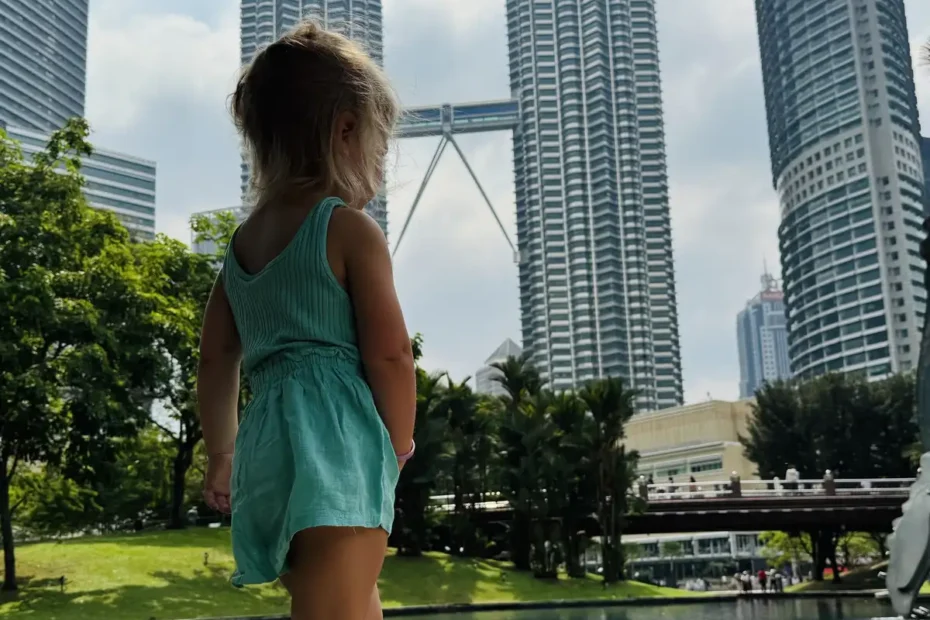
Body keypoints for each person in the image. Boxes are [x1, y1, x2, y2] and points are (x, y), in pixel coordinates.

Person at [197, 21, 414, 620]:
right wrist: (397, 443)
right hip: (337, 448)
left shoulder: (241, 247)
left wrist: (222, 452)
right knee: (337, 605)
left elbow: (215, 358)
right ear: (345, 129)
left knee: (352, 600)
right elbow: (391, 354)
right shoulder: (345, 228)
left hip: (267, 452)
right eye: (375, 143)